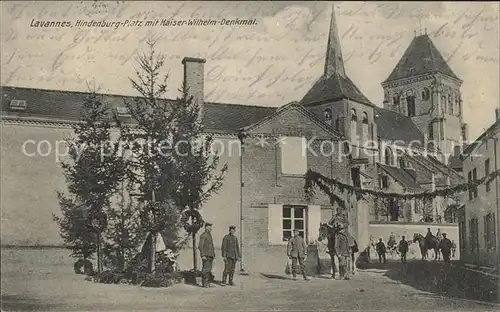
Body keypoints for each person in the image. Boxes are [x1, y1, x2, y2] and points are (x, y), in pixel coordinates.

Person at [198, 222, 215, 287]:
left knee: (209, 269)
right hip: (206, 255)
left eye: (211, 227)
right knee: (205, 269)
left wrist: (213, 255)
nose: (210, 228)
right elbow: (200, 246)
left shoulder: (209, 235)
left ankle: (207, 283)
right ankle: (205, 283)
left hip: (210, 255)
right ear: (206, 227)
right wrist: (203, 255)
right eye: (209, 227)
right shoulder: (203, 235)